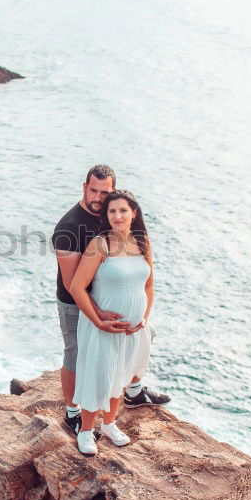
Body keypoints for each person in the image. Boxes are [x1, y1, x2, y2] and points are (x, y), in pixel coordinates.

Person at [52, 166, 169, 439]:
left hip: (111, 293)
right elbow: (73, 286)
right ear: (84, 187)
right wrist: (97, 315)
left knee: (136, 342)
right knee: (76, 354)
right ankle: (73, 413)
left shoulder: (116, 219)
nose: (98, 197)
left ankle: (133, 391)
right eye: (93, 190)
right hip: (74, 301)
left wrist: (139, 311)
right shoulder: (68, 228)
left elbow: (143, 275)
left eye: (104, 193)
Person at [69, 189, 154, 454]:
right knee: (98, 374)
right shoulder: (100, 244)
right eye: (112, 211)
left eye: (123, 210)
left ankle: (109, 424)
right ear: (106, 216)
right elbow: (77, 287)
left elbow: (149, 285)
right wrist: (98, 321)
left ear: (134, 214)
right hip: (101, 327)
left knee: (123, 372)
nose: (118, 216)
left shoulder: (142, 243)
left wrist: (144, 318)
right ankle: (85, 431)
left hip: (133, 329)